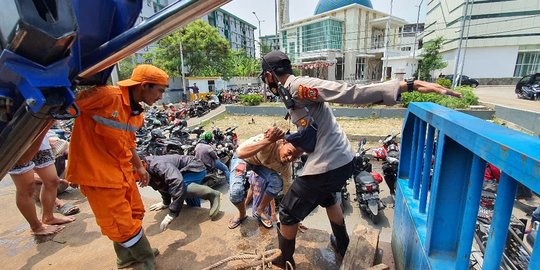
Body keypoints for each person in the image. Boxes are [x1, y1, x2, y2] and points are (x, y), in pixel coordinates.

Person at [259, 50, 461, 268]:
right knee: (327, 197)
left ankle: (284, 262)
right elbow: (309, 132)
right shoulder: (288, 92)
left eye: (264, 77)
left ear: (269, 75)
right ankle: (342, 243)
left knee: (288, 213)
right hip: (341, 159)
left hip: (330, 161)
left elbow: (348, 91)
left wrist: (406, 85)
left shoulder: (298, 86)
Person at [66, 64, 169, 270]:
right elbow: (65, 107)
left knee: (134, 214)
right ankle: (145, 256)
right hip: (97, 175)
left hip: (122, 173)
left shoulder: (136, 112)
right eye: (160, 90)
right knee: (120, 223)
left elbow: (129, 143)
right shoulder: (106, 96)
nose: (161, 96)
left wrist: (139, 168)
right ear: (144, 85)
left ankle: (126, 258)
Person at [228, 127, 302, 230]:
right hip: (244, 159)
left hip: (259, 165)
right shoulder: (269, 139)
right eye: (289, 152)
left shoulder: (286, 166)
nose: (290, 159)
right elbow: (240, 153)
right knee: (236, 192)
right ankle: (242, 213)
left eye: (295, 157)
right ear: (283, 143)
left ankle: (260, 210)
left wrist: (294, 219)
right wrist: (268, 140)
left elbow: (287, 190)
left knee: (277, 183)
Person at [8, 130, 75, 236]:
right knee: (26, 187)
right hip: (14, 141)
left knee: (52, 181)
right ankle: (36, 227)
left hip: (40, 139)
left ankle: (48, 217)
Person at [139, 153, 221, 231]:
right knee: (190, 203)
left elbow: (177, 183)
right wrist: (166, 203)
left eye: (133, 172)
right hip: (181, 172)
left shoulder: (158, 166)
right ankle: (196, 210)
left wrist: (172, 213)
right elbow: (161, 185)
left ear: (143, 164)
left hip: (194, 167)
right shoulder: (145, 170)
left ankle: (212, 195)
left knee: (182, 188)